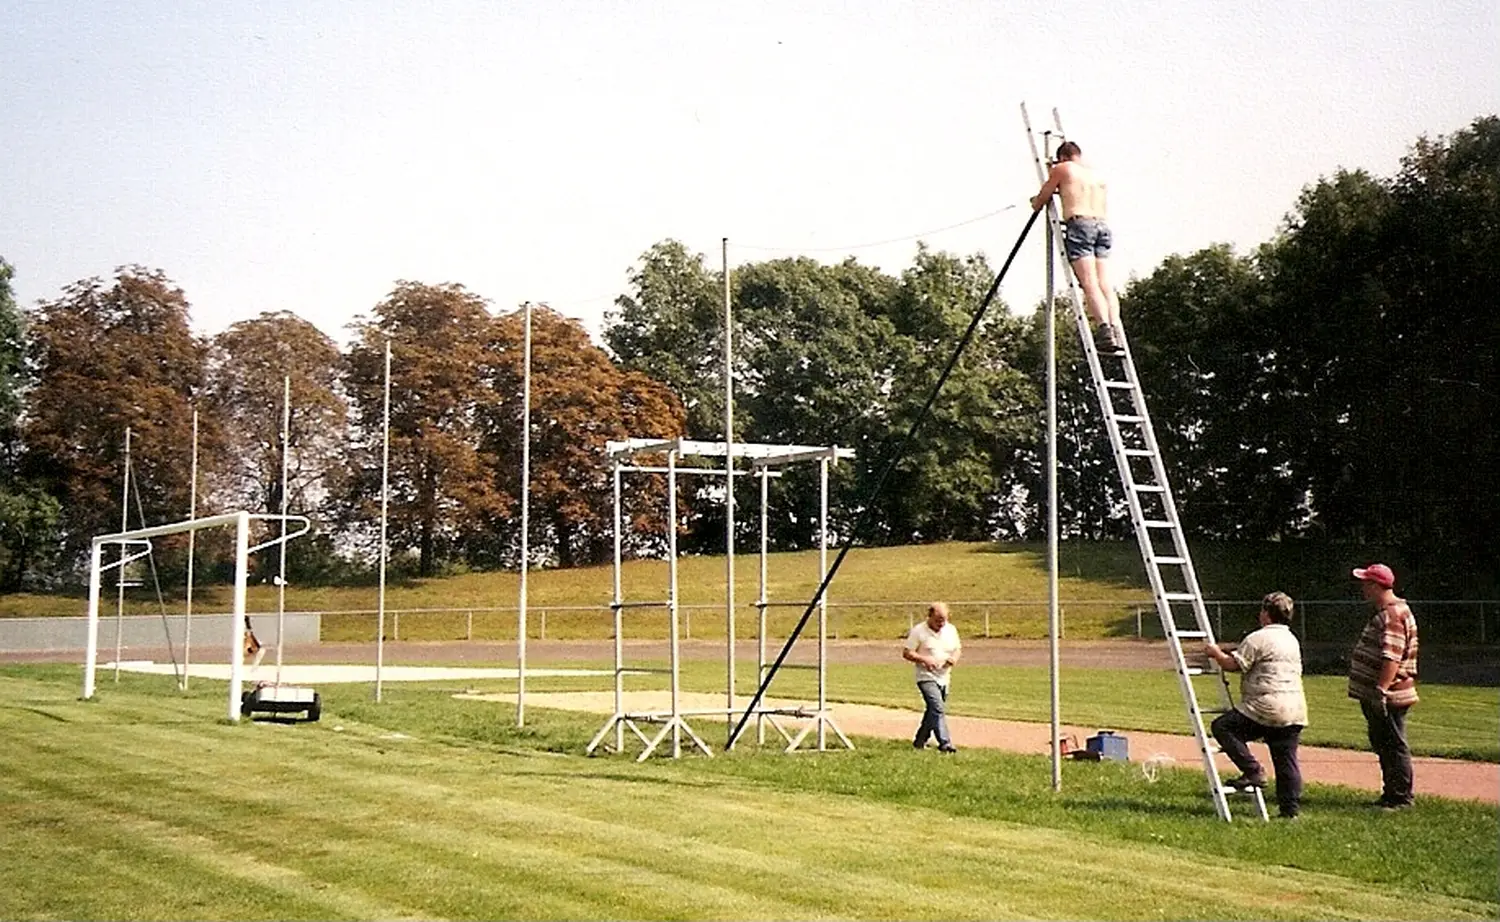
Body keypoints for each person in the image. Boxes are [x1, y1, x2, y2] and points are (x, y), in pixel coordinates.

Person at [1202, 591, 1308, 819]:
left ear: (1267, 614)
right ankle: (1290, 811)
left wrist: (1216, 654)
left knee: (1223, 727)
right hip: (1295, 707)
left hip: (1265, 705)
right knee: (1286, 758)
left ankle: (1252, 770)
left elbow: (1234, 665)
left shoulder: (1258, 638)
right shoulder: (1291, 639)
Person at [1030, 140, 1124, 355]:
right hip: (1102, 225)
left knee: (1089, 282)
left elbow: (1042, 199)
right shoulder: (1096, 175)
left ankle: (1104, 329)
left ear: (1062, 157)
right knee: (1105, 284)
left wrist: (1035, 199)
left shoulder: (1062, 169)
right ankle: (1115, 327)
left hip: (1080, 224)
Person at [1348, 563, 1420, 809]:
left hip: (1390, 695)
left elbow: (1392, 656)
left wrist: (1381, 690)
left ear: (1377, 586)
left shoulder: (1392, 615)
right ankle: (1391, 793)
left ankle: (1399, 796)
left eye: (1366, 583)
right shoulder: (1392, 612)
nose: (1362, 588)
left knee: (1392, 744)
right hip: (1384, 693)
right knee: (1385, 742)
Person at [903, 601, 962, 753]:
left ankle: (920, 741)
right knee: (938, 707)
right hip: (926, 676)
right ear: (929, 616)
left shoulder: (951, 630)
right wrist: (924, 659)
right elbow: (907, 652)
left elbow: (957, 649)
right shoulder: (918, 631)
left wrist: (953, 659)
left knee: (933, 711)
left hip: (944, 676)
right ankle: (945, 743)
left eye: (943, 620)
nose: (940, 624)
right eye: (937, 620)